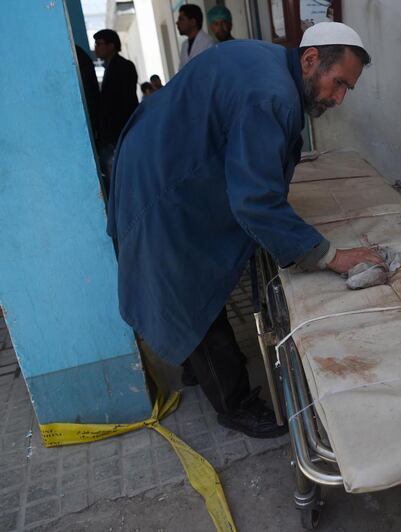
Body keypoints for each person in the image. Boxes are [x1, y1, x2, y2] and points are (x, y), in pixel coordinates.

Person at [106, 23, 382, 438]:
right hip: (164, 185)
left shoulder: (270, 62)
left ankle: (191, 363)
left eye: (347, 90)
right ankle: (233, 403)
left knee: (176, 280)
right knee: (191, 288)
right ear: (310, 60)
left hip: (155, 157)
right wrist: (331, 256)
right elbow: (255, 201)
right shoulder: (272, 95)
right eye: (338, 82)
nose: (338, 98)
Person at [93, 29, 138, 192]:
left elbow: (126, 103)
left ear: (111, 46)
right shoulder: (110, 68)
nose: (96, 48)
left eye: (99, 44)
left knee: (121, 183)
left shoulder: (123, 67)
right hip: (113, 136)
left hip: (119, 135)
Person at [177, 4, 214, 69]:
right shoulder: (184, 45)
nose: (177, 22)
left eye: (181, 19)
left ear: (193, 22)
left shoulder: (208, 43)